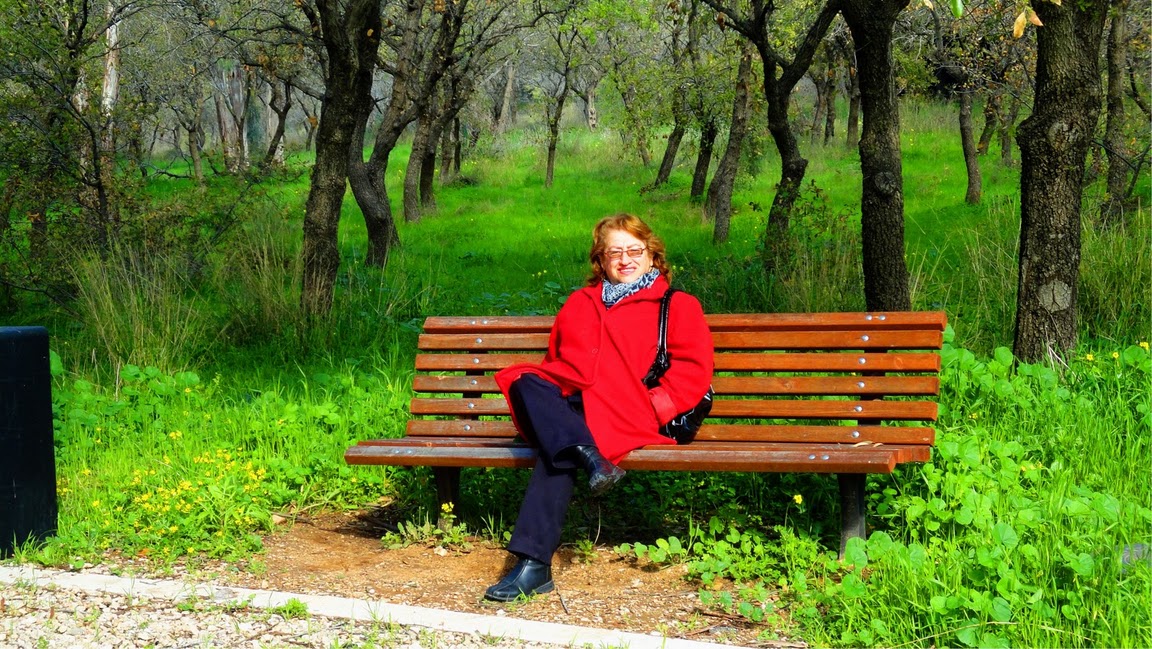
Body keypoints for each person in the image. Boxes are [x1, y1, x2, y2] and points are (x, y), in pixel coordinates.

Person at [484, 213, 714, 602]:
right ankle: (590, 457)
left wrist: (652, 407)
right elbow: (555, 361)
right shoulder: (580, 302)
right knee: (525, 381)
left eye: (634, 250)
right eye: (615, 253)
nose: (625, 259)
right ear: (601, 261)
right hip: (577, 407)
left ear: (652, 256)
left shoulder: (677, 305)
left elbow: (693, 372)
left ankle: (533, 565)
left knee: (558, 443)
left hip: (631, 410)